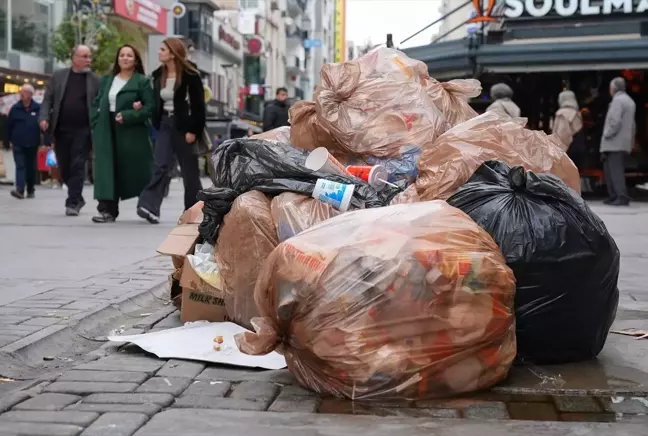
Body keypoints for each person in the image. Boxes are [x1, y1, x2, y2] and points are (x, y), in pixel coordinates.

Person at [137, 38, 206, 224]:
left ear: (173, 53)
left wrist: (193, 130)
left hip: (185, 127)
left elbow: (199, 106)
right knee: (161, 165)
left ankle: (193, 211)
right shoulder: (159, 74)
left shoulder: (191, 74)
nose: (159, 52)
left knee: (189, 170)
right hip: (165, 124)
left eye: (162, 49)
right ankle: (149, 207)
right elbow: (155, 101)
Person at [90, 44, 154, 223]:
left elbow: (150, 107)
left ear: (135, 60)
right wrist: (95, 121)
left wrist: (129, 115)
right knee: (106, 169)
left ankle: (148, 205)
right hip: (106, 127)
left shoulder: (141, 81)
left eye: (129, 55)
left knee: (137, 168)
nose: (125, 58)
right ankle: (107, 210)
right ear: (117, 59)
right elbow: (96, 103)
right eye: (122, 55)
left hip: (131, 131)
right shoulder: (107, 80)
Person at [39, 45, 100, 216]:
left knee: (78, 163)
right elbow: (47, 100)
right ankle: (77, 197)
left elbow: (99, 104)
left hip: (84, 130)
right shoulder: (58, 76)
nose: (88, 60)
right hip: (61, 128)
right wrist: (43, 118)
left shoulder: (95, 80)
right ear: (74, 58)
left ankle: (73, 201)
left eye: (90, 56)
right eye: (85, 56)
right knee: (64, 164)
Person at [600, 77, 636, 206]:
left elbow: (614, 122)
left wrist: (606, 134)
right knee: (613, 170)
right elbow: (632, 125)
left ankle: (620, 196)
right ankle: (615, 195)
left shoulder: (617, 101)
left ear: (613, 89)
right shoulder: (629, 101)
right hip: (622, 141)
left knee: (614, 171)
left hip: (613, 142)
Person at [4, 84, 41, 199]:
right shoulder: (15, 108)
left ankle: (30, 189)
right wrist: (6, 141)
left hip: (32, 142)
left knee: (30, 167)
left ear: (30, 94)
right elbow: (8, 126)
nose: (21, 94)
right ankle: (20, 189)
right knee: (20, 166)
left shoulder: (38, 108)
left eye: (24, 92)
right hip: (18, 142)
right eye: (21, 91)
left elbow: (44, 126)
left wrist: (48, 141)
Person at [553, 90, 585, 166]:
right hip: (578, 146)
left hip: (567, 150)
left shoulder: (562, 113)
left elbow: (562, 135)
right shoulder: (577, 113)